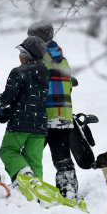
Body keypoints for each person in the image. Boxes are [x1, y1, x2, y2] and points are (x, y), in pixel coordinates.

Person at [28, 20, 78, 199]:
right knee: (62, 157)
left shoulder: (39, 60)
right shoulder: (63, 60)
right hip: (63, 116)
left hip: (42, 116)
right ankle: (69, 191)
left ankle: (28, 188)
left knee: (29, 155)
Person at [0, 36, 49, 182]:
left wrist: (0, 103)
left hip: (20, 122)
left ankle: (24, 174)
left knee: (7, 151)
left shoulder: (19, 71)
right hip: (40, 124)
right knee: (34, 160)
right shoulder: (46, 73)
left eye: (21, 52)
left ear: (26, 55)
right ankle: (37, 195)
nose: (19, 56)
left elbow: (8, 96)